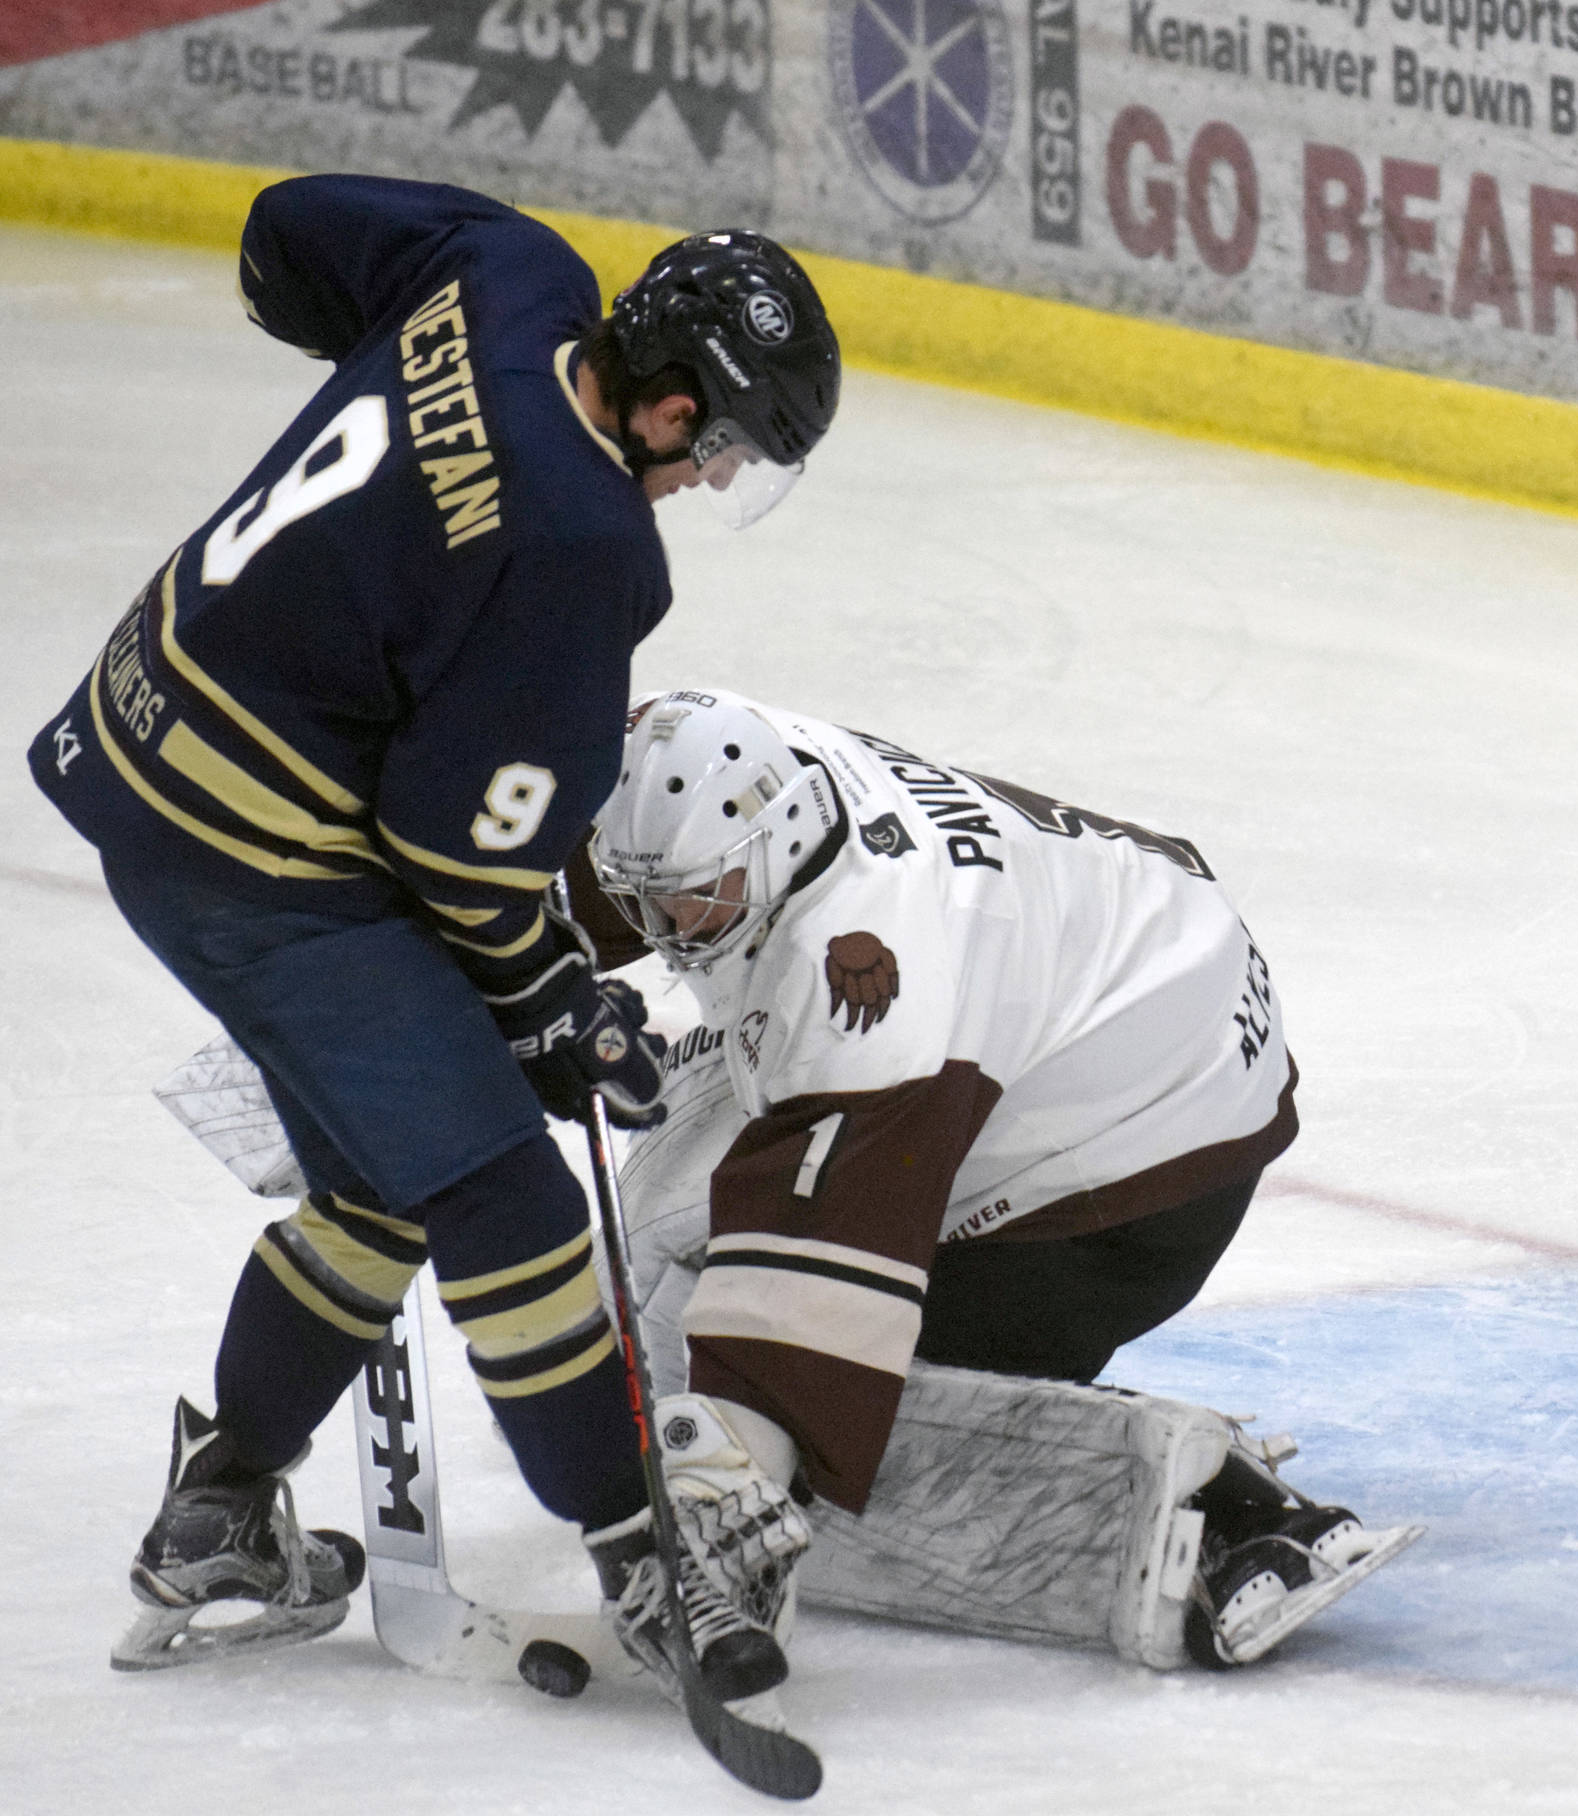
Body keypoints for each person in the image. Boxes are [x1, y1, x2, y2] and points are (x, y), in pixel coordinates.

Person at [25, 175, 839, 1702]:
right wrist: (551, 1009)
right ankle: (640, 1550)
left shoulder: (509, 272)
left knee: (379, 1192)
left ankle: (218, 1518)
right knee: (506, 1206)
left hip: (140, 719)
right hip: (255, 861)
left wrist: (410, 443)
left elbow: (285, 238)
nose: (712, 478)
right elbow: (451, 855)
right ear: (666, 408)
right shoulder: (587, 548)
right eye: (720, 446)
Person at [582, 686, 1422, 1674]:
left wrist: (718, 1508)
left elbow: (806, 1307)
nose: (669, 927)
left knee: (713, 1397)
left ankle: (1181, 1512)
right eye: (647, 897)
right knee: (650, 1298)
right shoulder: (726, 772)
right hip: (1125, 976)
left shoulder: (876, 981)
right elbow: (558, 870)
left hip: (1138, 1151)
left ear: (771, 844)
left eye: (693, 898)